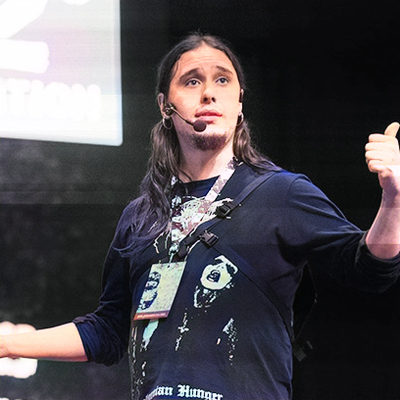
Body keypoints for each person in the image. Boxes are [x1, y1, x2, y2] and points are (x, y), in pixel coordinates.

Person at [1, 33, 400, 400]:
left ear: (239, 103)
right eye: (192, 81)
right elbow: (108, 330)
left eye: (222, 80)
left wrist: (393, 199)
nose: (208, 92)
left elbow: (370, 267)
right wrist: (8, 344)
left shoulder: (282, 192)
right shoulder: (141, 216)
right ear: (165, 105)